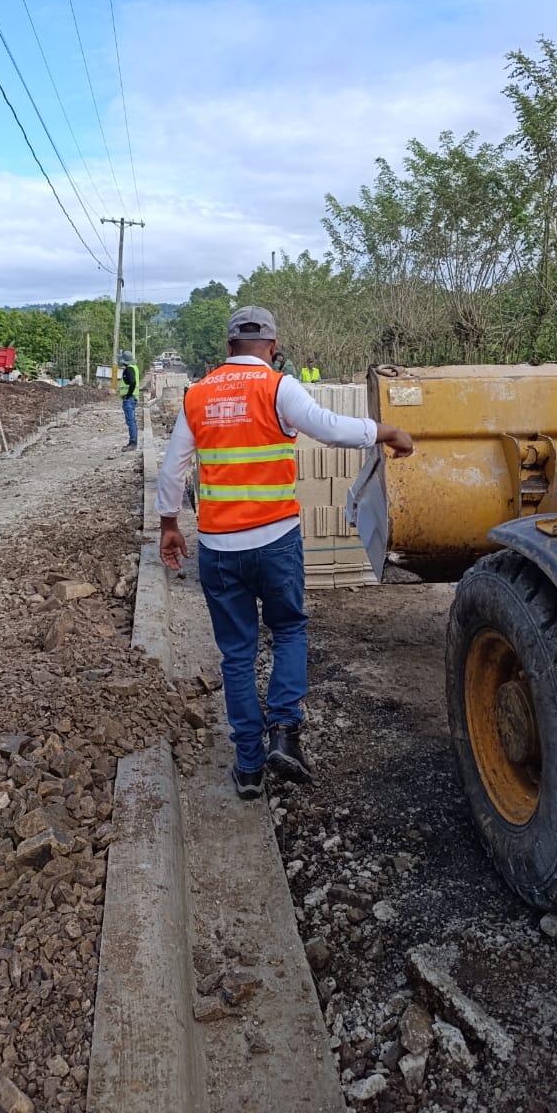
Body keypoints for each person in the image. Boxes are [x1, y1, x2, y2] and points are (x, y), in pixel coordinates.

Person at [156, 306, 413, 799]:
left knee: (237, 654)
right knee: (290, 630)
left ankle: (249, 767)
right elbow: (331, 428)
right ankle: (286, 734)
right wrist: (387, 433)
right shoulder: (278, 386)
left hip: (218, 549)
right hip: (275, 543)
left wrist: (170, 524)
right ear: (272, 347)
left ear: (227, 347)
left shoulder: (197, 395)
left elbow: (173, 471)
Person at [119, 350, 140, 450]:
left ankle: (133, 443)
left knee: (131, 421)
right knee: (132, 421)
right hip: (132, 398)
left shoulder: (129, 370)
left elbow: (133, 383)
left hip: (129, 399)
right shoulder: (133, 368)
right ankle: (133, 442)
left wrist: (128, 395)